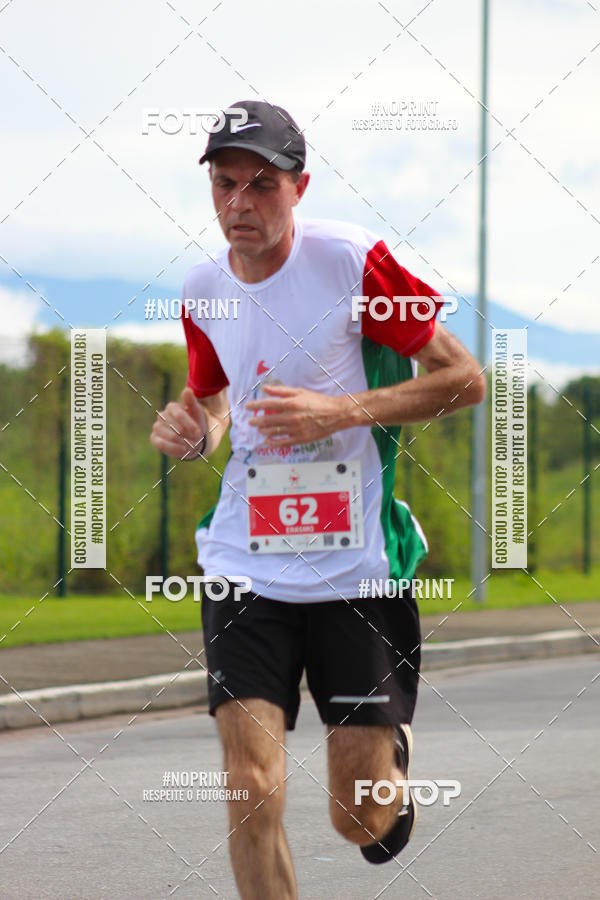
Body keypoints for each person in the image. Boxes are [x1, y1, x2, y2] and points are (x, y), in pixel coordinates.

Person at [150, 99, 485, 899]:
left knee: (357, 817)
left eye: (261, 186)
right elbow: (216, 404)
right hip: (246, 565)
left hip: (357, 569)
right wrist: (194, 431)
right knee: (250, 782)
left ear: (300, 187)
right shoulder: (203, 289)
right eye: (225, 185)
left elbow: (464, 380)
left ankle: (387, 763)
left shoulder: (354, 262)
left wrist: (341, 412)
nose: (240, 204)